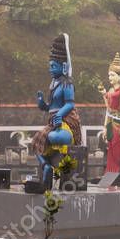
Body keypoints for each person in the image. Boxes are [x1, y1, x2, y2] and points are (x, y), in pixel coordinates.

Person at [32, 34, 82, 188]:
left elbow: (69, 104)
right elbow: (51, 106)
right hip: (53, 120)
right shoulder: (53, 83)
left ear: (63, 66)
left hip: (67, 119)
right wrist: (43, 105)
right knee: (36, 141)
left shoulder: (67, 83)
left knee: (57, 137)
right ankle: (46, 167)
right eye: (50, 66)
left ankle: (57, 165)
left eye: (54, 66)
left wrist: (60, 114)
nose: (51, 69)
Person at [99, 52, 120, 185]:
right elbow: (108, 109)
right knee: (110, 149)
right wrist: (104, 127)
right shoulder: (110, 90)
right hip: (110, 123)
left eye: (112, 75)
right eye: (109, 75)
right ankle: (110, 173)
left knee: (118, 149)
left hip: (119, 124)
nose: (110, 77)